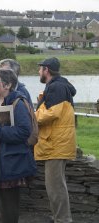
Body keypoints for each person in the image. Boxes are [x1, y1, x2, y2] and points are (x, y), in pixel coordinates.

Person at [0, 69, 37, 223]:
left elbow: (24, 132)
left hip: (9, 161)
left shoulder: (18, 104)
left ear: (8, 85)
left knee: (8, 208)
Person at [35, 57, 76, 223]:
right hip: (57, 142)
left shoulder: (57, 87)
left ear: (47, 70)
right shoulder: (57, 86)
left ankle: (63, 220)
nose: (38, 71)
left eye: (40, 69)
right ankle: (59, 217)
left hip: (56, 143)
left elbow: (52, 113)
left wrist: (32, 115)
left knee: (55, 187)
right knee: (56, 185)